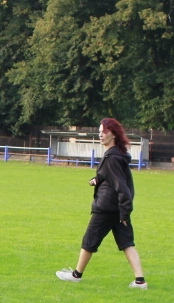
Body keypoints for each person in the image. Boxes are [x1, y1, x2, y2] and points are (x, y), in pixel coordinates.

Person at [56, 117, 146, 289]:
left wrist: (125, 212)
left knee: (89, 241)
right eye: (99, 132)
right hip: (117, 208)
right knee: (127, 243)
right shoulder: (117, 155)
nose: (100, 135)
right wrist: (97, 180)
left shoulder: (112, 157)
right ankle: (140, 281)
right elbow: (111, 177)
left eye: (104, 132)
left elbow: (122, 187)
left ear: (113, 134)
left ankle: (76, 275)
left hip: (107, 208)